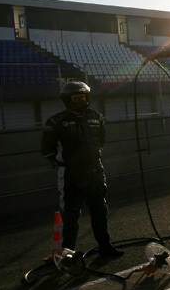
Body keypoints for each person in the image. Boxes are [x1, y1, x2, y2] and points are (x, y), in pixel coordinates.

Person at [41, 81, 124, 257]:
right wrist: (66, 163)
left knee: (100, 210)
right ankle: (66, 254)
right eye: (76, 98)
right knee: (70, 214)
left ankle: (105, 246)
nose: (81, 100)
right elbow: (47, 150)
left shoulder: (96, 117)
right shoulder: (56, 121)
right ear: (67, 99)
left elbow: (101, 141)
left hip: (95, 170)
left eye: (83, 97)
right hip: (71, 174)